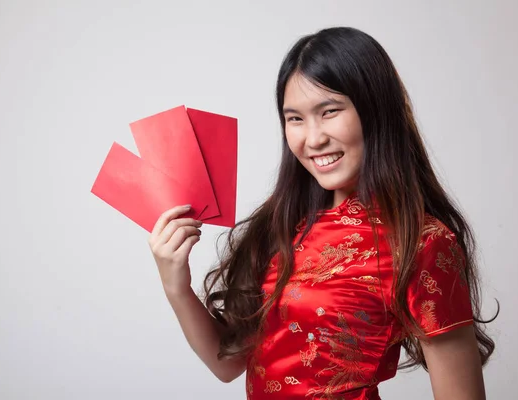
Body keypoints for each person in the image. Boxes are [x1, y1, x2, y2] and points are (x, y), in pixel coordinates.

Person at [148, 26, 496, 399]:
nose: (312, 139)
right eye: (295, 118)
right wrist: (177, 286)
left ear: (375, 110)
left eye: (329, 111)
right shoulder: (283, 225)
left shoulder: (422, 241)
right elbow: (227, 364)